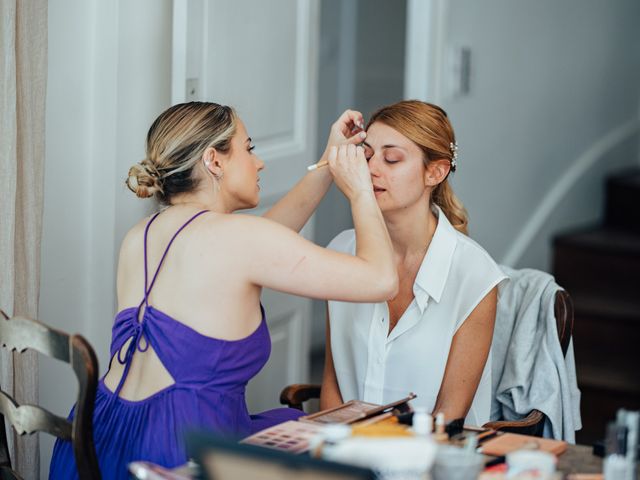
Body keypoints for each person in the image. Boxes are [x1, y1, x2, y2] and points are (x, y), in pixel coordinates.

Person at [49, 102, 398, 479]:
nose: (259, 162)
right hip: (177, 453)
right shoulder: (239, 240)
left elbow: (266, 241)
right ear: (214, 160)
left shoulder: (142, 234)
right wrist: (361, 190)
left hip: (100, 439)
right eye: (249, 148)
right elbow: (381, 279)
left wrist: (329, 162)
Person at [321, 100, 508, 427]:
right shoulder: (340, 251)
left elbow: (448, 415)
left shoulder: (474, 277)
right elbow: (332, 383)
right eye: (367, 155)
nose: (371, 168)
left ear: (435, 172)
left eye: (391, 158)